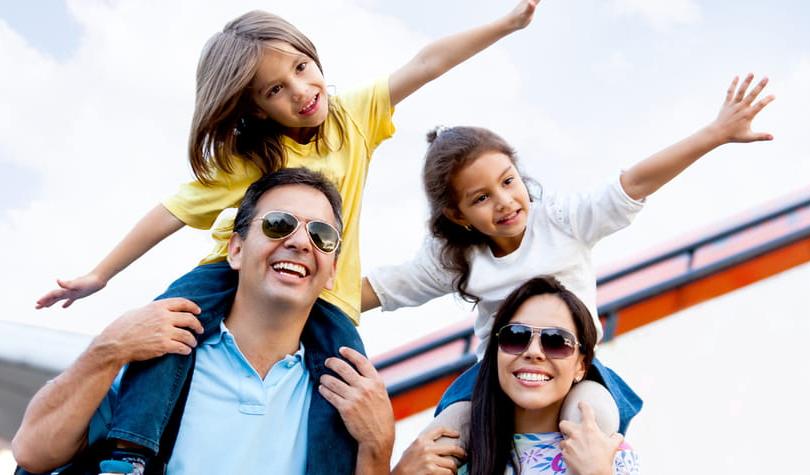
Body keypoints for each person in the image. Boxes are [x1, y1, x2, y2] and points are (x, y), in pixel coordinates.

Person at [33, 1, 542, 464]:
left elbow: (427, 64)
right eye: (275, 89)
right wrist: (100, 274)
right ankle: (129, 451)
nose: (300, 92)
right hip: (225, 277)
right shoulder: (251, 158)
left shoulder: (354, 118)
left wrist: (506, 24)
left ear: (313, 58)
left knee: (350, 388)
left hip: (329, 294)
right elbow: (170, 213)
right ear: (256, 108)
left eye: (301, 69)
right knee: (167, 329)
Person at [364, 73, 775, 448]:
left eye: (509, 181)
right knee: (445, 437)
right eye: (481, 198)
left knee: (593, 421)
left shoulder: (561, 222)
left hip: (570, 368)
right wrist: (307, 284)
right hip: (496, 374)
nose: (505, 201)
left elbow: (632, 184)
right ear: (458, 215)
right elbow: (384, 288)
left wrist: (716, 133)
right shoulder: (454, 258)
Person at [13, 168, 396, 475]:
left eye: (321, 234)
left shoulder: (347, 397)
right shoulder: (158, 355)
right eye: (279, 223)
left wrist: (378, 448)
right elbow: (33, 452)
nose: (299, 242)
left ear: (331, 272)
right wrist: (107, 349)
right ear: (236, 248)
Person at [396, 277, 639, 474]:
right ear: (496, 353)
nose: (534, 352)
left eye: (556, 341)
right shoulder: (447, 457)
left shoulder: (608, 453)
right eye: (516, 336)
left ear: (581, 366)